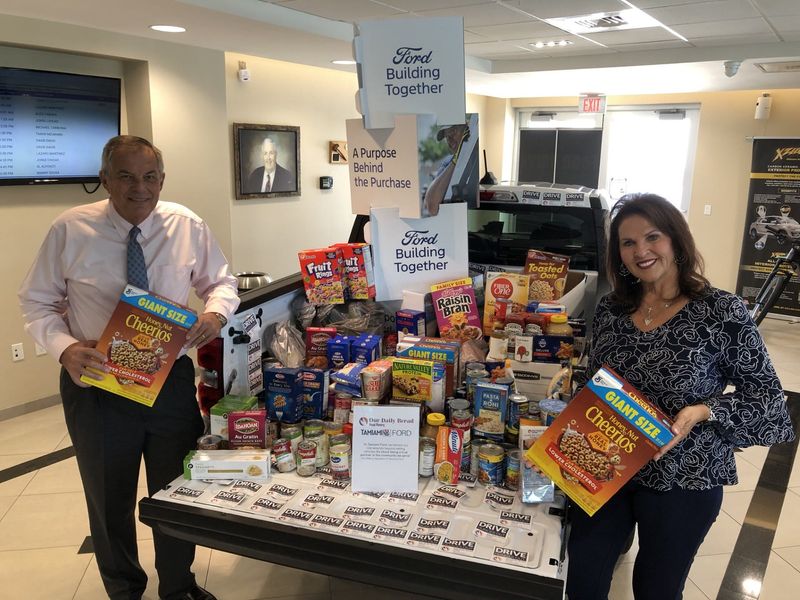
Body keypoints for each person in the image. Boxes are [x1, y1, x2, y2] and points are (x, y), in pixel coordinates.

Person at [19, 135, 240, 600]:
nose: (139, 188)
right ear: (105, 180)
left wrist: (215, 313)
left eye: (149, 177)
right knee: (108, 498)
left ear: (162, 179)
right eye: (125, 176)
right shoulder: (69, 229)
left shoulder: (186, 224)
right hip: (97, 381)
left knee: (177, 491)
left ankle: (178, 586)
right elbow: (37, 302)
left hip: (171, 381)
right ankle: (124, 590)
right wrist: (63, 348)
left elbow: (221, 281)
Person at [566, 193, 794, 600]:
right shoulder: (611, 309)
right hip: (607, 466)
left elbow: (769, 400)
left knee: (656, 589)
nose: (641, 251)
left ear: (675, 239)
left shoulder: (720, 311)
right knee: (583, 576)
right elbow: (593, 380)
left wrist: (704, 410)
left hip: (683, 477)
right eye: (628, 243)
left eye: (652, 237)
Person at [423, 123, 469, 217]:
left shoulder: (475, 154)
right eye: (447, 136)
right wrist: (456, 160)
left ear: (466, 130)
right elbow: (432, 207)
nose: (450, 139)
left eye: (453, 132)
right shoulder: (447, 162)